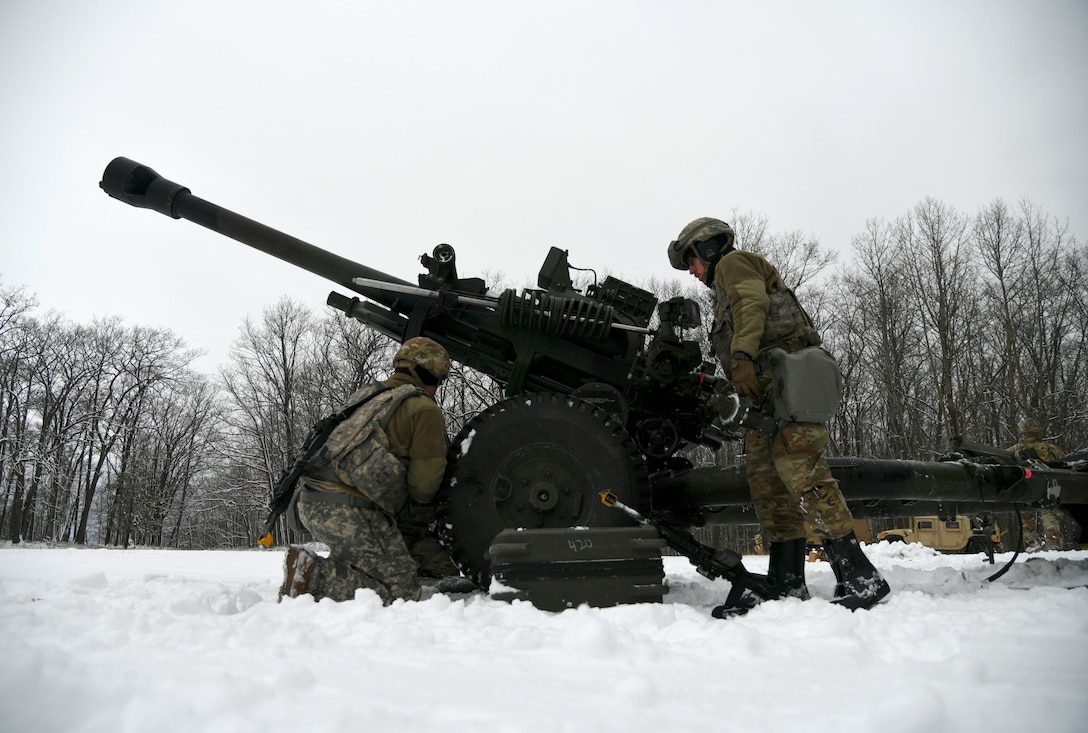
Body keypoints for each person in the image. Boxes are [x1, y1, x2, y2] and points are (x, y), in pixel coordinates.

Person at [668, 217, 890, 615]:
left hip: (785, 391)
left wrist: (741, 357)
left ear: (707, 248)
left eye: (691, 260)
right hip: (763, 400)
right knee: (768, 488)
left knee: (803, 474)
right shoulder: (720, 289)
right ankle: (786, 582)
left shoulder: (735, 265)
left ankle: (860, 576)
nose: (691, 271)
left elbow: (752, 305)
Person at [279, 336, 452, 604]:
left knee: (369, 563)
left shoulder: (368, 394)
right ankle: (312, 576)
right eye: (437, 381)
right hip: (351, 509)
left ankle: (326, 572)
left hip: (311, 500)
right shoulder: (423, 408)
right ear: (427, 375)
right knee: (402, 592)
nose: (435, 388)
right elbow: (424, 485)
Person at [1007, 417, 1067, 551]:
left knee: (1026, 516)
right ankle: (1054, 547)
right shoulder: (1051, 449)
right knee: (1051, 517)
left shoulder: (1016, 450)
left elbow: (1003, 461)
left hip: (1027, 489)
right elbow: (1064, 463)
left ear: (1024, 432)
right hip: (1051, 488)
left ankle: (1032, 544)